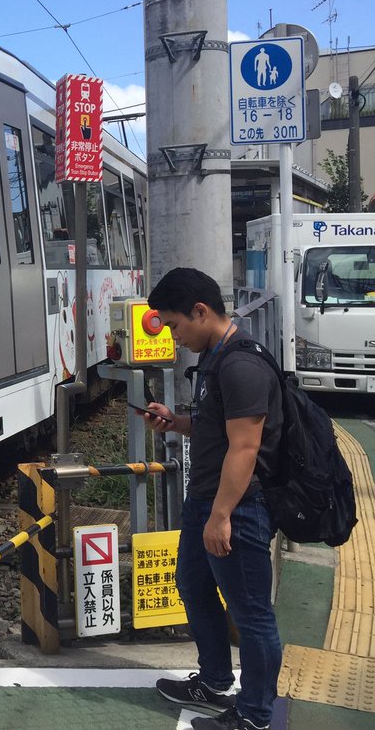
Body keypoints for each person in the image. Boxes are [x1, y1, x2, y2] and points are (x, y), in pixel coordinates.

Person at [140, 268, 283, 730]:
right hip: (207, 500)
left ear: (201, 312)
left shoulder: (241, 364)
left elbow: (245, 446)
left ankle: (257, 715)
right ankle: (216, 680)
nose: (175, 337)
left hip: (238, 508)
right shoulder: (216, 358)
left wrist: (221, 515)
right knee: (194, 587)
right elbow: (216, 426)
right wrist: (176, 421)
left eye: (176, 325)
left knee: (251, 613)